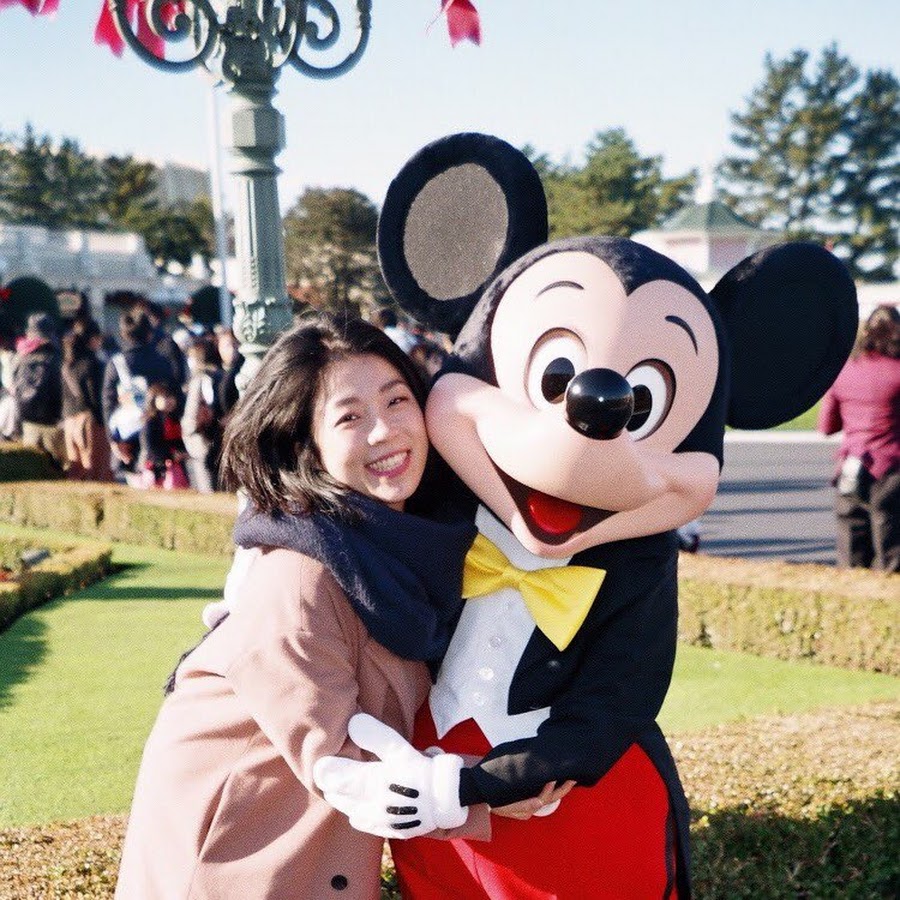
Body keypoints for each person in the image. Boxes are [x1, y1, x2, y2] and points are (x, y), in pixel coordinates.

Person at [115, 317, 562, 899]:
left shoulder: (411, 548)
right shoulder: (300, 576)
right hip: (235, 864)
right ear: (307, 446)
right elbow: (344, 763)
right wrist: (495, 787)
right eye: (350, 417)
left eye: (397, 401)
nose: (385, 431)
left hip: (302, 852)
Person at [818, 305, 900, 572]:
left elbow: (826, 426)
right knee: (891, 553)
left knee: (851, 552)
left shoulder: (845, 371)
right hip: (891, 469)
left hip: (851, 467)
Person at [102, 308, 183, 477]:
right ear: (149, 334)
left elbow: (108, 403)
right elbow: (176, 398)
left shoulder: (116, 364)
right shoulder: (162, 362)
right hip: (159, 436)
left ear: (123, 334)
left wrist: (113, 440)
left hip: (126, 434)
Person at [61, 318, 113, 482]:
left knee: (76, 473)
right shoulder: (93, 364)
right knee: (97, 474)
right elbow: (96, 398)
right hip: (90, 423)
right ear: (93, 339)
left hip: (69, 421)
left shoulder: (67, 364)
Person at [12, 312, 66, 469]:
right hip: (52, 422)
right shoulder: (55, 356)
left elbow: (14, 386)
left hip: (26, 421)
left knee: (30, 468)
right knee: (57, 469)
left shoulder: (20, 356)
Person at [181, 337, 224, 492]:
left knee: (207, 488)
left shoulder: (201, 379)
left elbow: (193, 411)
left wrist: (187, 430)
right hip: (216, 437)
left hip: (202, 439)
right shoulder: (220, 375)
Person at [137, 382, 188, 489]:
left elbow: (179, 441)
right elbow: (150, 447)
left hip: (174, 467)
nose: (170, 401)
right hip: (155, 469)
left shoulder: (174, 420)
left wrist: (182, 453)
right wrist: (170, 455)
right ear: (153, 400)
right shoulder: (150, 422)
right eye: (165, 397)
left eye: (171, 397)